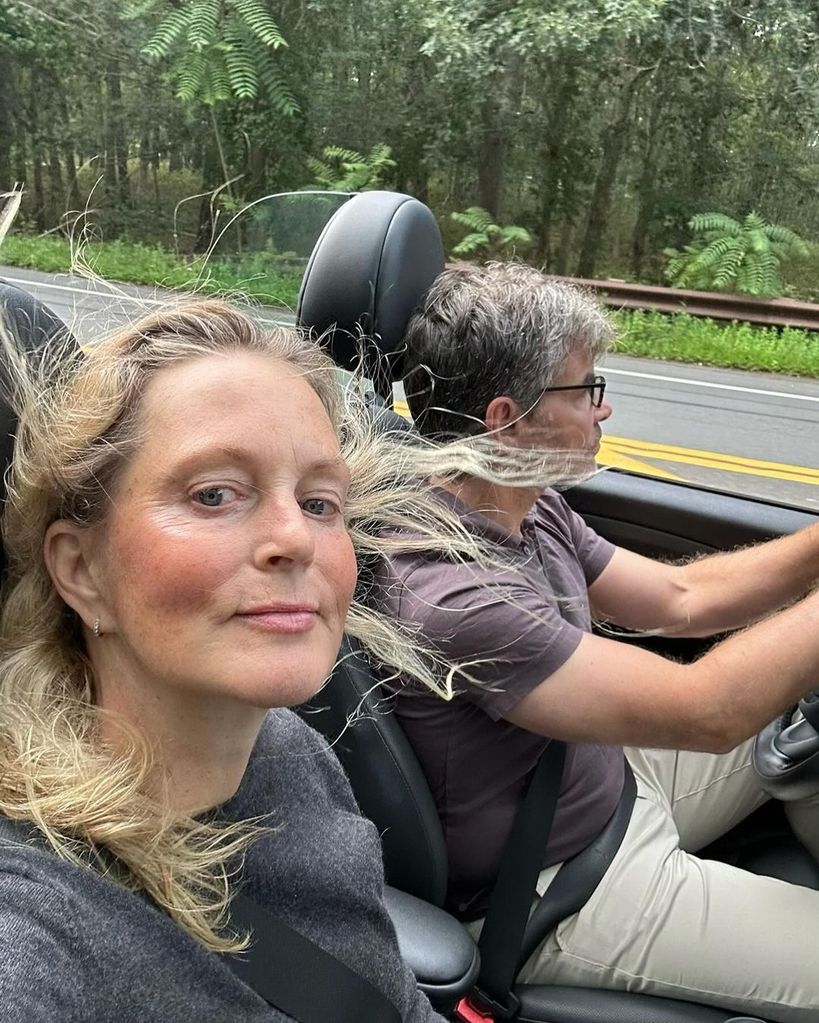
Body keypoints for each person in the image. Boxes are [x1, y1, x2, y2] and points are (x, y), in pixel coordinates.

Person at [0, 295, 477, 1022]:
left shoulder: (289, 751)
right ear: (80, 569)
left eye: (321, 502)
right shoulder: (34, 929)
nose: (295, 537)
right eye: (215, 493)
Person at [372, 261, 819, 1021]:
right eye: (585, 390)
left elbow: (681, 599)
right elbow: (703, 709)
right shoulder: (450, 589)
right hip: (555, 878)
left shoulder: (523, 500)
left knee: (796, 728)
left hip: (597, 776)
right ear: (506, 416)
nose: (601, 410)